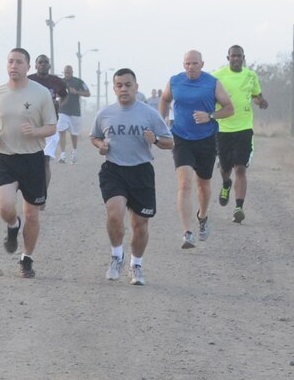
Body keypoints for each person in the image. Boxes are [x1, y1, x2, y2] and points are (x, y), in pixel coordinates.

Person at [90, 69, 173, 285]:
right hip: (114, 170)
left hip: (141, 171)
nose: (123, 89)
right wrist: (101, 145)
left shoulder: (149, 114)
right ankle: (117, 256)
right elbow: (94, 136)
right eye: (119, 85)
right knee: (115, 215)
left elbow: (170, 142)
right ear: (114, 88)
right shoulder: (104, 114)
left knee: (140, 224)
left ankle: (136, 264)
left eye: (128, 84)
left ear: (136, 86)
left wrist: (154, 139)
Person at [0, 48, 57, 279]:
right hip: (4, 157)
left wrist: (36, 131)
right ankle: (13, 225)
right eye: (10, 62)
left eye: (19, 62)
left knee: (33, 215)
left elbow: (52, 127)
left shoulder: (41, 93)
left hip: (32, 158)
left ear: (28, 67)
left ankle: (27, 259)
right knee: (5, 207)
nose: (13, 66)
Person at [159, 50, 234, 249]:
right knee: (184, 184)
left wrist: (210, 115)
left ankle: (202, 216)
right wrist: (162, 121)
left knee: (203, 185)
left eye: (194, 63)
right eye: (187, 64)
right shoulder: (175, 81)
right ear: (183, 65)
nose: (190, 67)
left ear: (202, 64)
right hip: (181, 138)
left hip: (206, 140)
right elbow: (165, 99)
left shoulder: (212, 83)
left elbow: (229, 108)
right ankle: (187, 232)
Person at [212, 45, 268, 224]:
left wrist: (261, 101)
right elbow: (209, 97)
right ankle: (226, 183)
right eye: (233, 56)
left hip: (244, 129)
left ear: (244, 57)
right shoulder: (217, 76)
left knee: (241, 168)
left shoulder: (251, 76)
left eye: (239, 56)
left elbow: (256, 95)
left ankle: (238, 207)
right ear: (227, 57)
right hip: (223, 129)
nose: (236, 59)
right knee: (225, 168)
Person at [28, 54, 67, 186]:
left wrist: (58, 106)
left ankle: (42, 194)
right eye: (40, 62)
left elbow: (64, 96)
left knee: (45, 160)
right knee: (30, 160)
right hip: (32, 124)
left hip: (50, 125)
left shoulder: (57, 81)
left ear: (49, 65)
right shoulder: (28, 80)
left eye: (45, 62)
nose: (43, 64)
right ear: (35, 65)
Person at [56, 64, 91, 164]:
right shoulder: (61, 82)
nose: (67, 74)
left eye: (69, 73)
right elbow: (56, 93)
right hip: (62, 110)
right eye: (66, 73)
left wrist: (77, 92)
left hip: (75, 112)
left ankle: (74, 152)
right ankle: (62, 155)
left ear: (72, 72)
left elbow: (88, 93)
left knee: (74, 134)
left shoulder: (78, 82)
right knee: (61, 130)